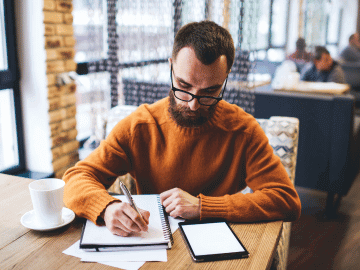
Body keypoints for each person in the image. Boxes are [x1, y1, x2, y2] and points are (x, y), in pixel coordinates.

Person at [63, 21, 301, 237]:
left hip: (220, 243)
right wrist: (107, 207)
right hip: (155, 241)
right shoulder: (139, 126)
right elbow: (76, 178)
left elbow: (286, 200)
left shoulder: (243, 130)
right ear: (171, 67)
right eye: (183, 85)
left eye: (210, 91)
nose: (193, 103)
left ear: (226, 78)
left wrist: (203, 207)